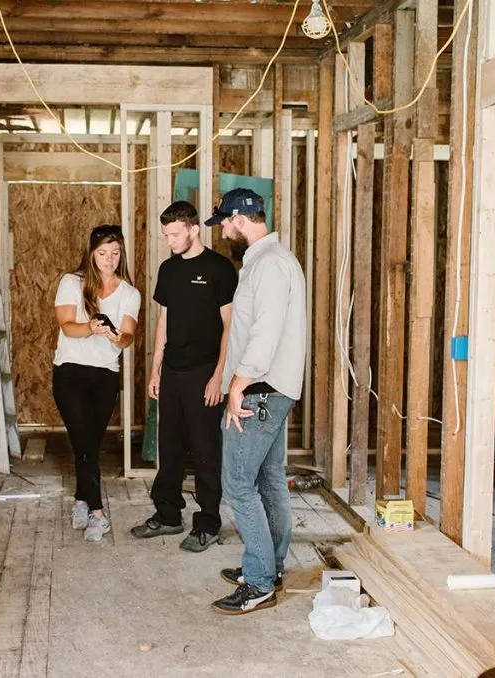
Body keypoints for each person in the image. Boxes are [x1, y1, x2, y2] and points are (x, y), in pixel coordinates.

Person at [204, 188, 306, 615]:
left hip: (259, 389)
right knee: (268, 479)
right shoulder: (271, 261)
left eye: (225, 223)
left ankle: (261, 582)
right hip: (273, 388)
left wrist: (237, 385)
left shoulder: (268, 265)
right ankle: (270, 565)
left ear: (241, 219)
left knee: (238, 486)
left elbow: (264, 333)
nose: (223, 230)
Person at [130, 201, 238, 552]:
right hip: (173, 370)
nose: (170, 241)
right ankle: (168, 515)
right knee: (170, 447)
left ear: (194, 229)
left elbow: (229, 327)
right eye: (166, 235)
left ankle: (207, 523)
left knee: (206, 450)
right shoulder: (168, 269)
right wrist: (155, 369)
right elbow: (164, 322)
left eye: (175, 234)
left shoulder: (220, 269)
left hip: (205, 370)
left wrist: (218, 376)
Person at [52, 224, 140, 543]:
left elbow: (128, 337)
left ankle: (80, 499)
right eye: (102, 253)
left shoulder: (130, 293)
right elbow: (66, 327)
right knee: (85, 442)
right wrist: (90, 326)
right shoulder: (71, 283)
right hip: (70, 373)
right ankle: (98, 513)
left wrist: (120, 337)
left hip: (104, 375)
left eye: (115, 253)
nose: (109, 259)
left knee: (88, 445)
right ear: (91, 254)